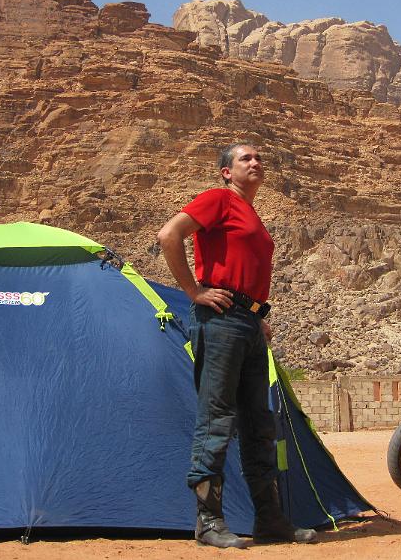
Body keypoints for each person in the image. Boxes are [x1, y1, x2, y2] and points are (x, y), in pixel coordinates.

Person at [157, 143, 317, 548]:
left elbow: (247, 271)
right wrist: (194, 291)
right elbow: (169, 235)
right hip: (221, 320)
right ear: (226, 172)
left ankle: (270, 522)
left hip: (247, 323)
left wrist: (257, 318)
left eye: (260, 157)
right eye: (246, 158)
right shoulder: (218, 200)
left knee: (258, 425)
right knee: (217, 419)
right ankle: (208, 523)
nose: (256, 162)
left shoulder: (252, 214)